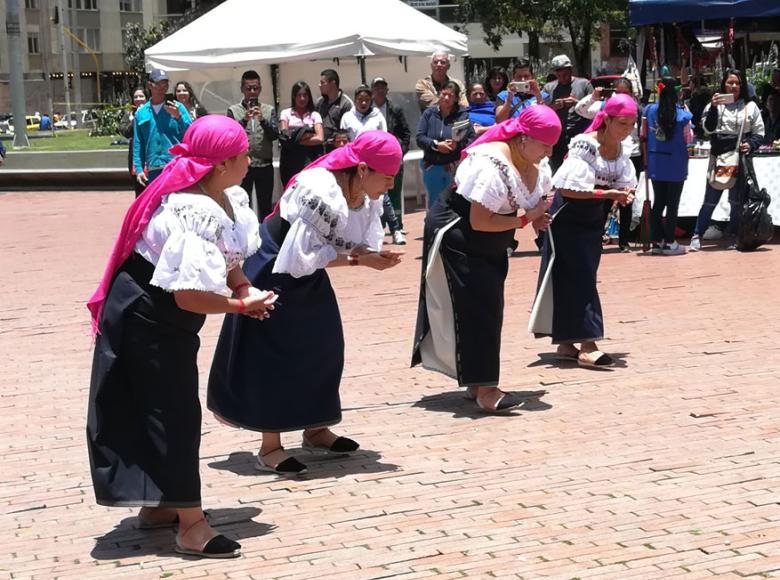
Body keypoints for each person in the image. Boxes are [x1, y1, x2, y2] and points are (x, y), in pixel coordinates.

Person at [86, 115, 278, 558]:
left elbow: (227, 258)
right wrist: (238, 307)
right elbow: (191, 296)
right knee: (170, 412)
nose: (251, 160)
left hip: (161, 314)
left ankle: (160, 504)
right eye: (244, 155)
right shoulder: (190, 207)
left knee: (156, 407)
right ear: (220, 164)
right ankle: (191, 525)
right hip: (146, 315)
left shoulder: (222, 197)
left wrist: (243, 287)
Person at [207, 131, 404, 476]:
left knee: (325, 344)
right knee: (275, 351)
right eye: (386, 178)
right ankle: (270, 447)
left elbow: (342, 243)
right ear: (361, 169)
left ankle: (316, 429)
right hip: (274, 267)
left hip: (303, 270)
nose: (390, 185)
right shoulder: (321, 191)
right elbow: (302, 257)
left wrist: (368, 254)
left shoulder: (362, 194)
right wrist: (361, 261)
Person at [412, 107, 560, 412]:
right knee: (480, 308)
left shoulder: (534, 164)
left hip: (492, 235)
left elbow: (527, 204)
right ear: (523, 138)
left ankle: (477, 381)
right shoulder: (492, 166)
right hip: (460, 233)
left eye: (552, 145)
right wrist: (524, 220)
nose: (548, 152)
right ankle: (486, 389)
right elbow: (480, 221)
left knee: (485, 306)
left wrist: (535, 219)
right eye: (544, 143)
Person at [529, 94, 637, 369]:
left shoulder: (622, 151)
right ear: (608, 120)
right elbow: (567, 188)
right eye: (622, 124)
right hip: (567, 216)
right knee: (582, 277)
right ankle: (588, 343)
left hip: (593, 216)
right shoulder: (585, 145)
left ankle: (566, 342)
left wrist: (626, 194)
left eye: (632, 124)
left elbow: (625, 182)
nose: (627, 130)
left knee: (575, 276)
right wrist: (608, 192)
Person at [689, 69, 765, 252]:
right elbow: (707, 128)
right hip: (720, 159)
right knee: (711, 199)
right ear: (723, 84)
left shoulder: (750, 106)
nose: (733, 86)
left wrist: (751, 144)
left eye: (737, 83)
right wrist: (714, 108)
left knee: (736, 201)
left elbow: (760, 132)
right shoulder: (714, 105)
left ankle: (733, 235)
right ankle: (697, 234)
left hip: (740, 160)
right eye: (730, 82)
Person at [575, 77, 642, 252]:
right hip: (603, 159)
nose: (627, 129)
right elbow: (580, 109)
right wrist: (593, 97)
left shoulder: (636, 110)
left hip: (630, 157)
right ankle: (596, 238)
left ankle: (624, 241)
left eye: (625, 93)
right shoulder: (604, 108)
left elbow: (642, 135)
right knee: (603, 202)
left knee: (626, 200)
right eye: (618, 93)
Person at [643, 78, 693, 256]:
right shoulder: (682, 115)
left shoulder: (649, 110)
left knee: (658, 202)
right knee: (672, 204)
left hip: (656, 162)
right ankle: (670, 241)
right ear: (677, 94)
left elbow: (643, 135)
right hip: (676, 163)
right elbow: (689, 139)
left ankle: (657, 240)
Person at [227, 70, 279, 221]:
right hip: (243, 166)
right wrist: (244, 120)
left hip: (265, 165)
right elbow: (230, 137)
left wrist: (263, 120)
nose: (252, 92)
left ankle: (264, 238)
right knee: (242, 204)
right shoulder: (233, 111)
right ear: (242, 89)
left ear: (260, 89)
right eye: (248, 88)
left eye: (255, 88)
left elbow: (275, 135)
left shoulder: (268, 110)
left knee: (265, 206)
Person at [416, 81, 476, 208]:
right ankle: (433, 226)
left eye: (451, 95)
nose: (446, 98)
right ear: (439, 94)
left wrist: (457, 146)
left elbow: (471, 139)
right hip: (433, 165)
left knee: (454, 201)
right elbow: (420, 138)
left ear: (456, 98)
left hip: (454, 167)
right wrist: (436, 145)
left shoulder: (463, 115)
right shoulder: (429, 114)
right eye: (444, 94)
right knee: (434, 201)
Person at [133, 68, 192, 189]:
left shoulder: (177, 107)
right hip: (154, 167)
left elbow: (190, 133)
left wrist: (178, 117)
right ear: (150, 85)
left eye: (165, 84)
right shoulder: (141, 113)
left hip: (175, 165)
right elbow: (138, 143)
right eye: (158, 84)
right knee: (157, 204)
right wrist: (139, 169)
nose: (162, 88)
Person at [372, 76, 411, 245]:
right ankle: (378, 227)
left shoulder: (395, 109)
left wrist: (399, 151)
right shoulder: (368, 110)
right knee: (377, 193)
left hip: (393, 158)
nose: (380, 90)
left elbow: (406, 133)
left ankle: (398, 226)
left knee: (394, 192)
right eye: (377, 87)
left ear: (387, 90)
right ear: (372, 90)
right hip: (374, 161)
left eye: (383, 87)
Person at [542, 55, 594, 171]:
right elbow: (542, 111)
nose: (562, 77)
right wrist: (555, 107)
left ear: (570, 70)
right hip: (556, 138)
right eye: (559, 74)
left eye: (565, 74)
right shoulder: (549, 88)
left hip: (579, 135)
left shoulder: (584, 84)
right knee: (556, 170)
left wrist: (577, 103)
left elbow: (595, 107)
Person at [279, 81, 324, 188]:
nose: (302, 99)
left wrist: (294, 139)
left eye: (305, 95)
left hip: (310, 160)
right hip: (290, 162)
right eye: (299, 95)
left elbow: (320, 138)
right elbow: (284, 137)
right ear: (294, 97)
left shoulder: (314, 115)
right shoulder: (285, 113)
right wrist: (306, 135)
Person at [495, 59, 546, 124]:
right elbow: (500, 121)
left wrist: (538, 95)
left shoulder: (543, 95)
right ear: (513, 77)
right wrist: (509, 99)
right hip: (513, 133)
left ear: (532, 76)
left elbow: (545, 119)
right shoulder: (503, 96)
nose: (523, 79)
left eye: (526, 76)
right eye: (519, 76)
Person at [119, 87, 148, 197]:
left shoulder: (151, 111)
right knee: (139, 189)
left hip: (151, 154)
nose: (138, 99)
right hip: (135, 154)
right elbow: (126, 132)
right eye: (136, 97)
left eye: (141, 96)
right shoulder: (130, 114)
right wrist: (135, 119)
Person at [315, 69, 353, 152]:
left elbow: (347, 132)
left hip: (336, 150)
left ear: (333, 83)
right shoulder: (319, 102)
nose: (319, 85)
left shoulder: (346, 104)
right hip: (319, 149)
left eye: (322, 83)